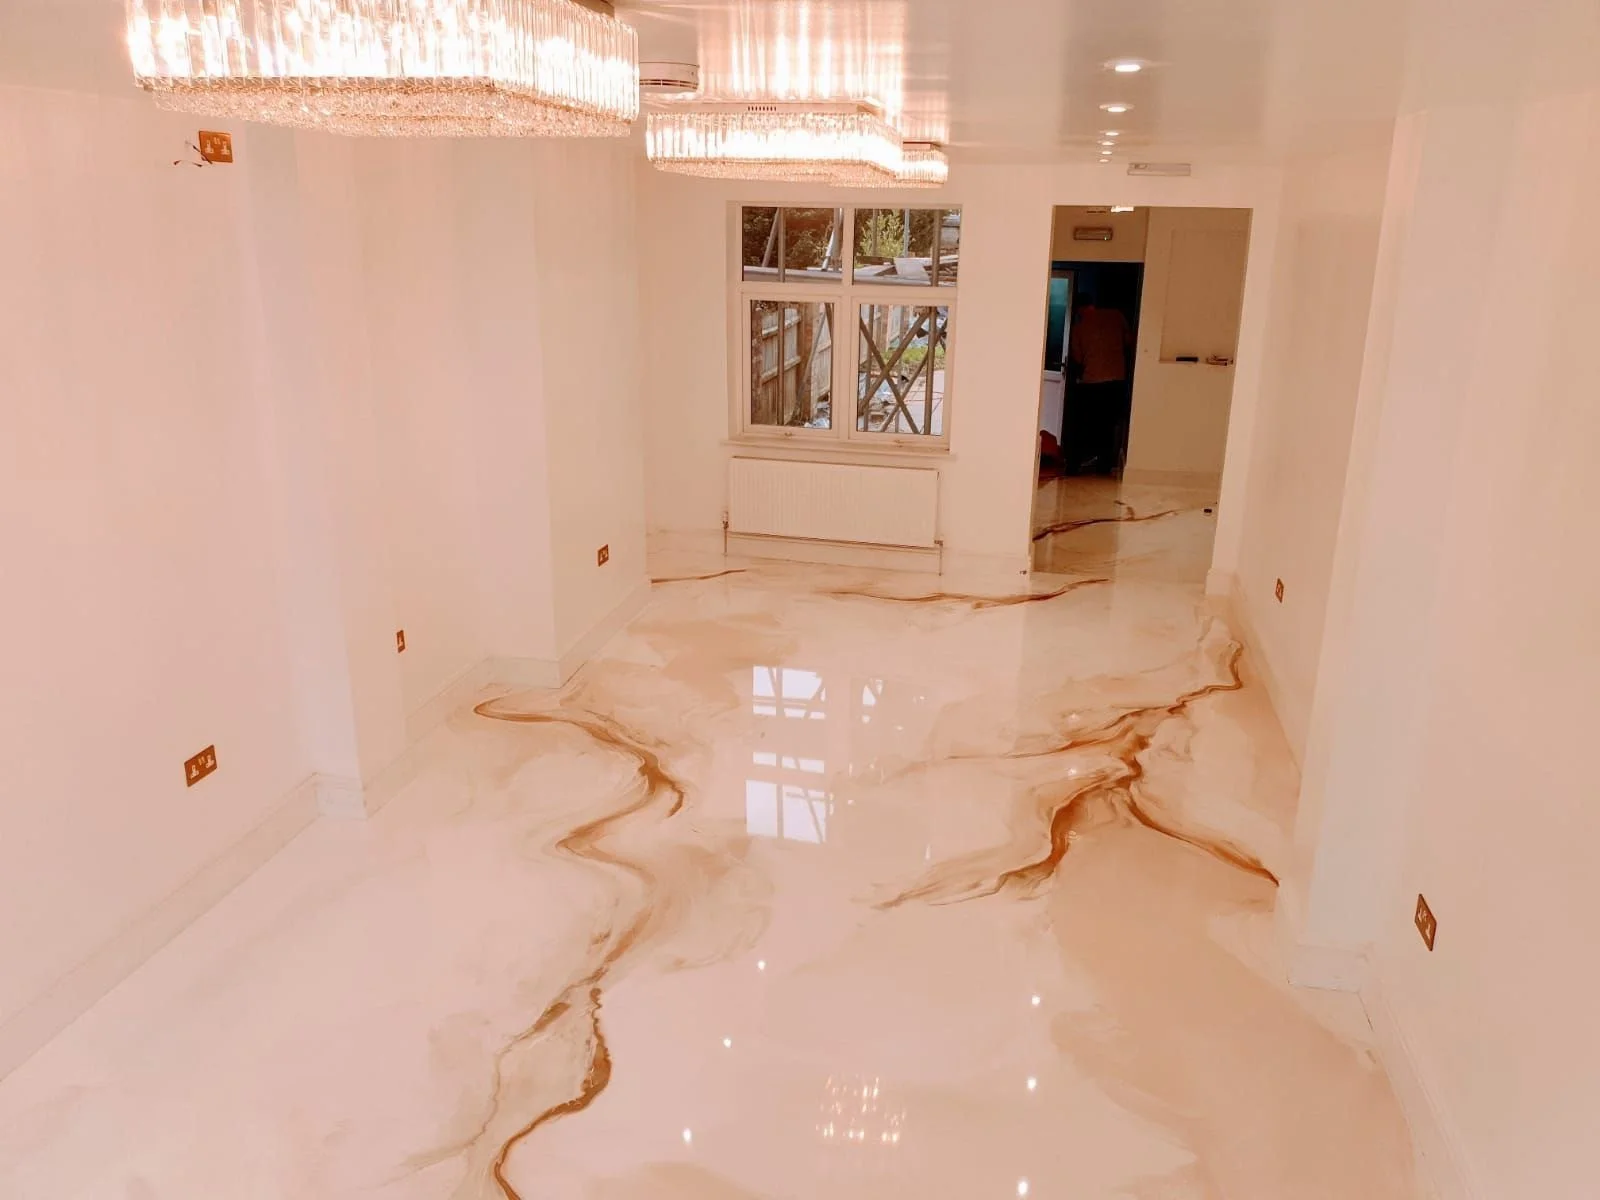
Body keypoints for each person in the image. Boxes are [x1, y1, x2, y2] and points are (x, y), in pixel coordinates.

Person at [1067, 293, 1135, 474]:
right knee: (1109, 424)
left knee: (1086, 423)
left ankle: (1076, 463)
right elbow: (1129, 341)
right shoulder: (1116, 316)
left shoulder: (1079, 327)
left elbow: (1077, 357)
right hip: (1116, 381)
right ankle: (1104, 465)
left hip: (1092, 382)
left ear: (1079, 309)